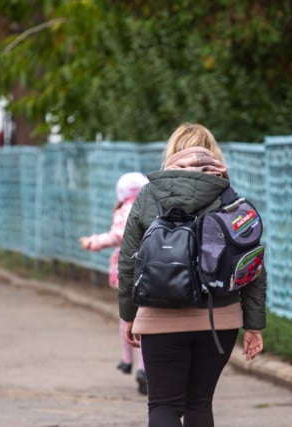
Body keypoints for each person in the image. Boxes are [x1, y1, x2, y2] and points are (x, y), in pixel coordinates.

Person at [117, 123, 267, 427]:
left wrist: (129, 314)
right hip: (218, 319)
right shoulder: (229, 198)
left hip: (158, 318)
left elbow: (128, 262)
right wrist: (254, 325)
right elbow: (252, 265)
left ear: (172, 153)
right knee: (199, 404)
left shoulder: (149, 196)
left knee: (163, 405)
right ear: (213, 154)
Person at [79, 172, 150, 395]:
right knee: (147, 321)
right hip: (149, 270)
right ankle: (143, 368)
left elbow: (117, 236)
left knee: (126, 317)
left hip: (125, 272)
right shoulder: (152, 208)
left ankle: (127, 358)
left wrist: (93, 242)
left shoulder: (123, 210)